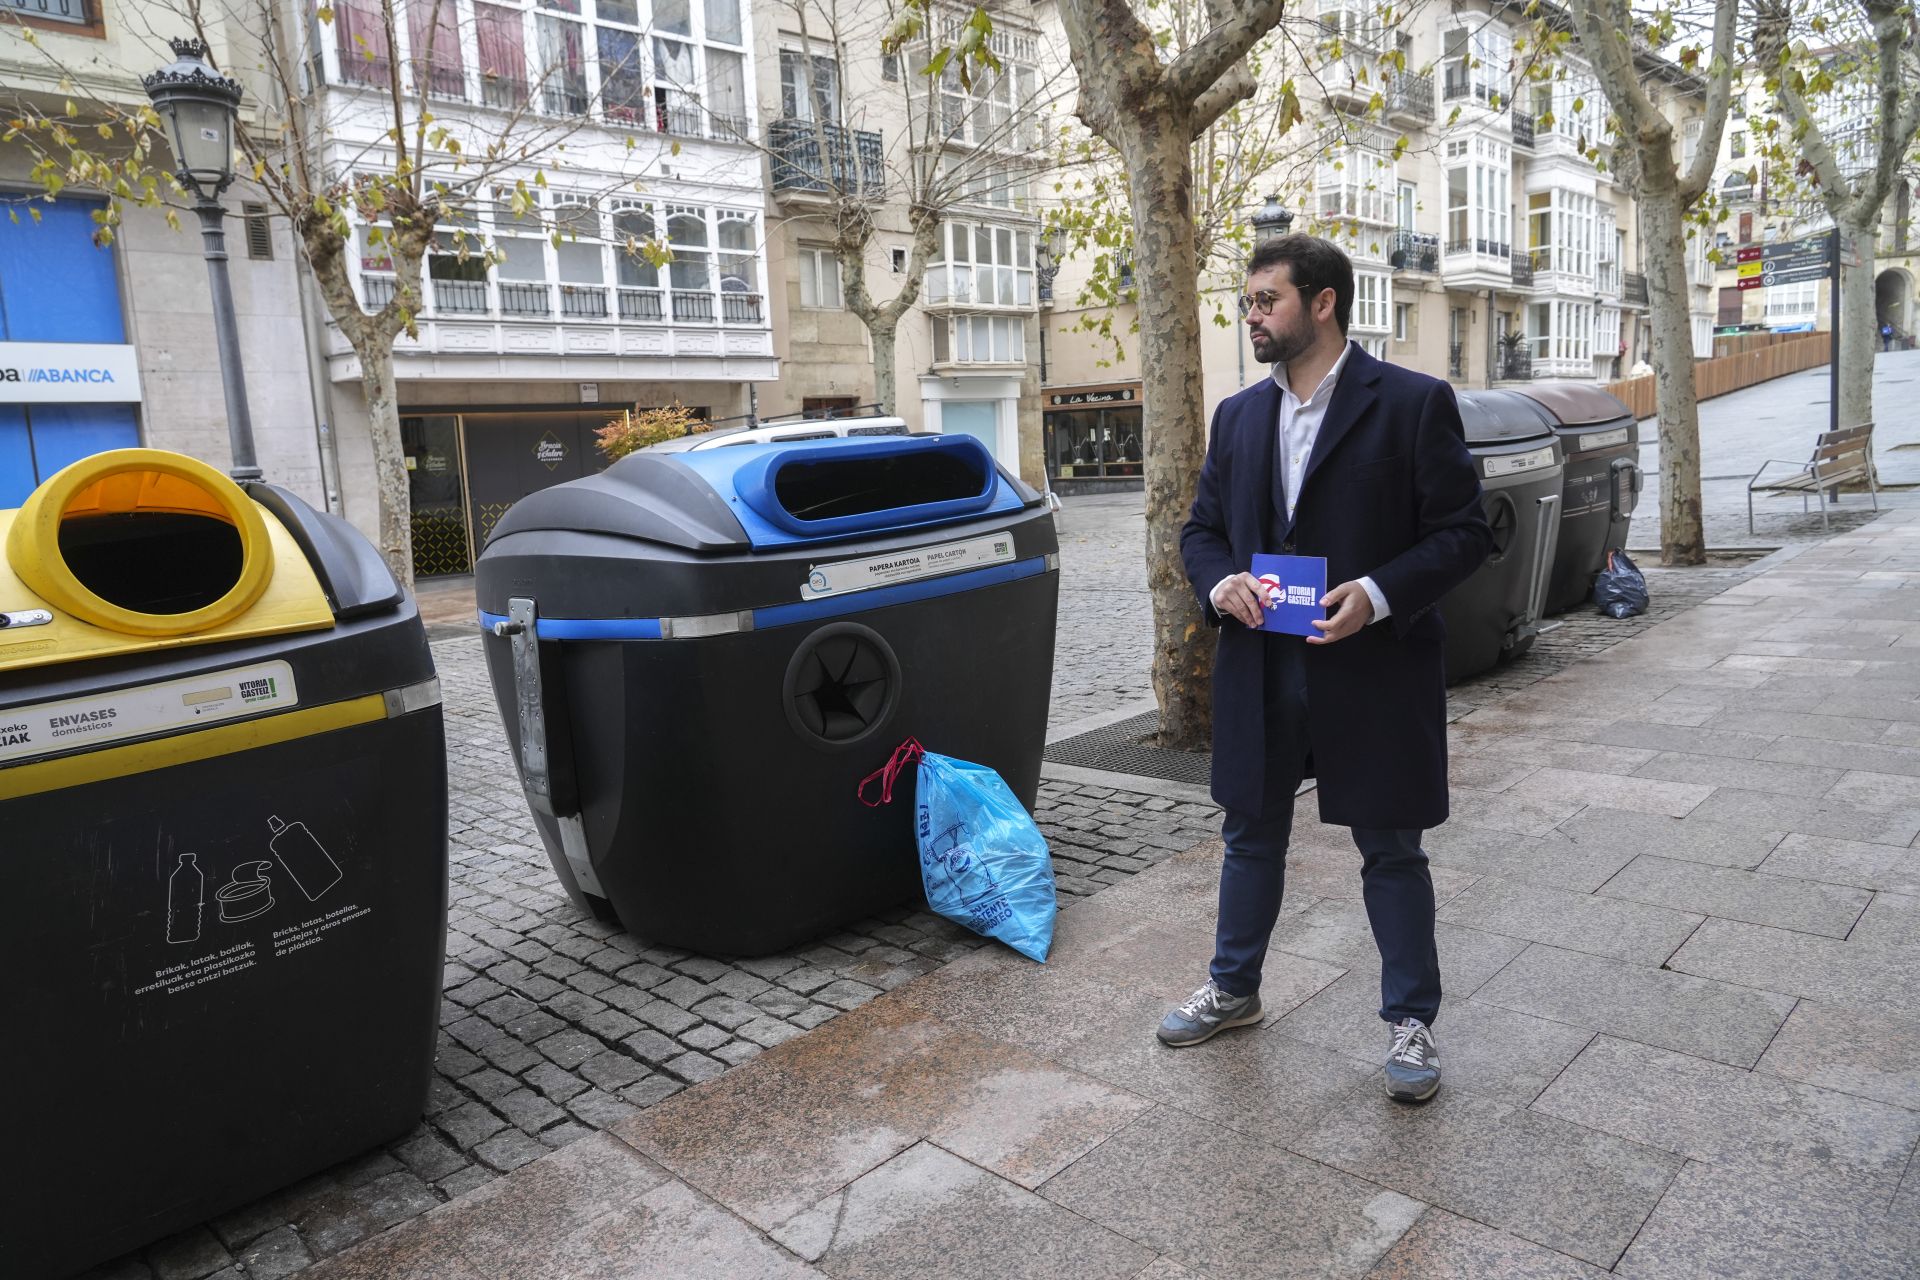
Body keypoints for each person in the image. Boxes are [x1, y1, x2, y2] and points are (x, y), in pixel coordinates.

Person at [1160, 234, 1493, 1104]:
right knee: (1249, 833)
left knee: (1390, 847)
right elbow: (1200, 530)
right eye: (1248, 302)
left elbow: (1465, 534)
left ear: (1323, 302)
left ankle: (1411, 1024)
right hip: (1261, 664)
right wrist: (1218, 580)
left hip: (1372, 665)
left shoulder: (1414, 403)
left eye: (1267, 299)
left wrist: (1378, 594)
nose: (1253, 315)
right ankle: (1234, 991)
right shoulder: (1237, 416)